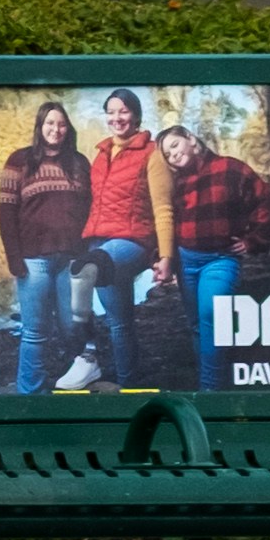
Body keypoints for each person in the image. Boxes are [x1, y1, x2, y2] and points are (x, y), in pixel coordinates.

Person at [62, 86, 178, 386]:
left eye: (123, 111)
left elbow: (163, 207)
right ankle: (129, 384)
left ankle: (86, 356)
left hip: (133, 242)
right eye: (111, 112)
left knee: (84, 269)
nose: (117, 118)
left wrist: (166, 257)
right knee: (119, 323)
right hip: (98, 241)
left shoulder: (152, 153)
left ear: (136, 115)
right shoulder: (100, 155)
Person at [159, 116, 270, 388]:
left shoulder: (230, 168)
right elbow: (166, 220)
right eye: (167, 154)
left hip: (220, 260)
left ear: (191, 139)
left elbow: (265, 199)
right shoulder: (175, 184)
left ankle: (210, 392)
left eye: (176, 145)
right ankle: (211, 377)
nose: (174, 154)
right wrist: (166, 258)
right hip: (186, 261)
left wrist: (253, 240)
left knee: (212, 315)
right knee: (198, 325)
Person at [0, 98, 91, 394]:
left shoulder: (79, 163)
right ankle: (30, 392)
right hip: (33, 260)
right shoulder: (19, 161)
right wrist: (14, 258)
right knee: (35, 332)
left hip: (71, 260)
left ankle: (71, 382)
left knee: (72, 327)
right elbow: (6, 210)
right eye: (50, 123)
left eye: (61, 124)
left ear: (67, 128)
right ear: (40, 127)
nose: (56, 129)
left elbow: (90, 209)